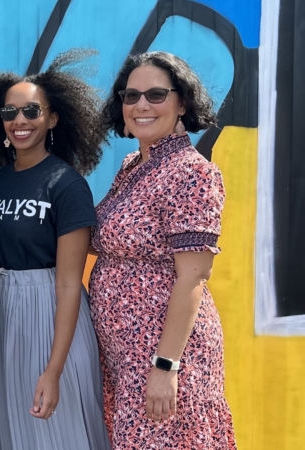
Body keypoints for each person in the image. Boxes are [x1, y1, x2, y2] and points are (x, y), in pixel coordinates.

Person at [0, 50, 112, 449]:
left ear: (53, 118)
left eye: (31, 111)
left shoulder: (67, 184)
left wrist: (54, 370)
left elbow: (69, 284)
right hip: (4, 315)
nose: (19, 121)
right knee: (14, 433)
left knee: (55, 436)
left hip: (49, 313)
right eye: (9, 113)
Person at [90, 51, 236, 448]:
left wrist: (166, 366)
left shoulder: (192, 172)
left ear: (182, 102)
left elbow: (194, 276)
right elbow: (111, 239)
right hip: (126, 357)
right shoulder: (133, 166)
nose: (141, 105)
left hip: (165, 355)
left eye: (156, 95)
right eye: (131, 95)